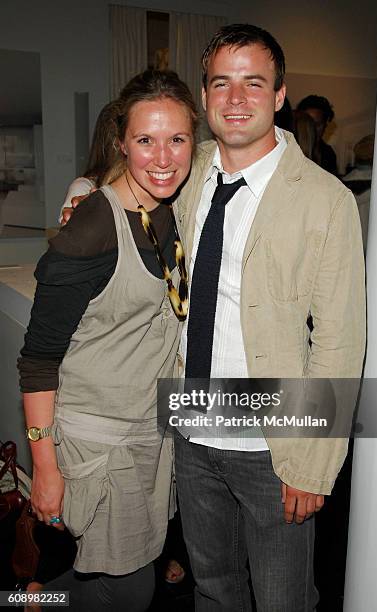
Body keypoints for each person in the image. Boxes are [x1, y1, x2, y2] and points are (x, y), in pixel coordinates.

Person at [171, 24, 365, 611]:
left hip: (271, 444)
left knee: (283, 599)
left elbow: (339, 341)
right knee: (214, 590)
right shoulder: (185, 170)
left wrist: (313, 460)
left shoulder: (324, 199)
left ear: (279, 95)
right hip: (190, 426)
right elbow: (126, 178)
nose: (235, 99)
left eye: (253, 83)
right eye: (221, 83)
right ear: (204, 97)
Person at [18, 69, 197, 611]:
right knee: (129, 587)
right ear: (122, 142)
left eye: (177, 139)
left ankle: (31, 600)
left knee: (114, 575)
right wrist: (45, 469)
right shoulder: (91, 228)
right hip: (99, 445)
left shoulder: (165, 213)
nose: (162, 157)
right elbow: (38, 362)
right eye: (145, 140)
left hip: (149, 435)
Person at [297, 94, 338, 175]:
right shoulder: (288, 150)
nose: (312, 129)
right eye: (307, 124)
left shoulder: (328, 154)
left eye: (317, 124)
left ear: (325, 125)